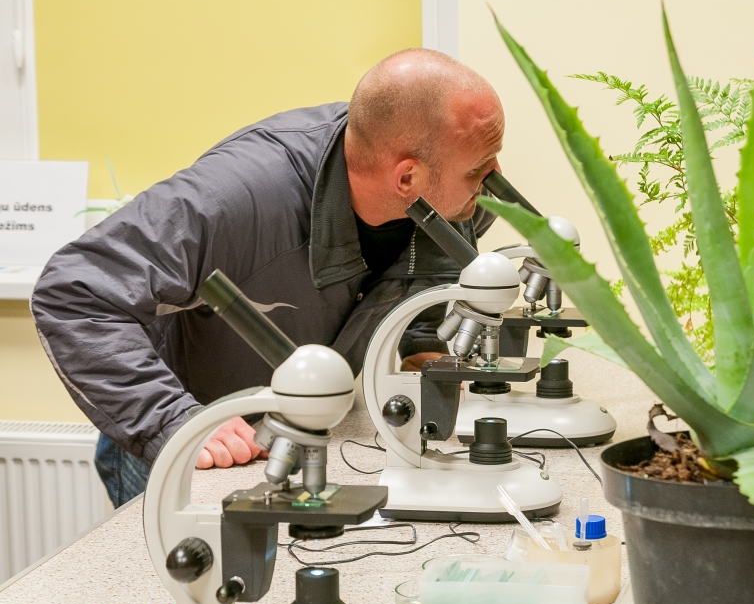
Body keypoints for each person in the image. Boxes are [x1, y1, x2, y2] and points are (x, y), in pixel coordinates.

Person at [31, 48, 504, 507]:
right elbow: (74, 291)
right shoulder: (233, 198)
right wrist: (174, 420)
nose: (495, 179)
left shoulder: (454, 192)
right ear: (407, 179)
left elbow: (424, 261)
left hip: (288, 430)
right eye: (478, 170)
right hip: (196, 435)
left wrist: (422, 344)